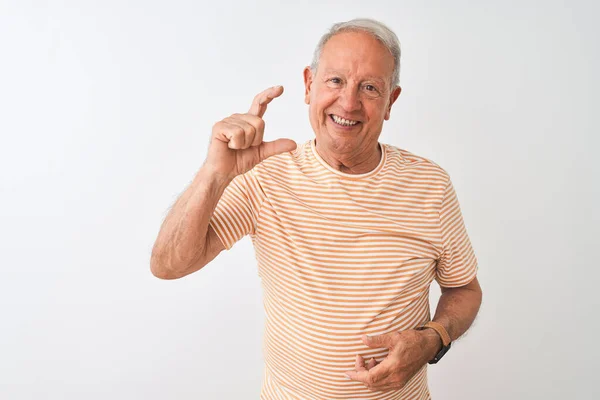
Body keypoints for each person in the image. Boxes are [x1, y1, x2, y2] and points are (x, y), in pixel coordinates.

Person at [150, 18, 483, 400]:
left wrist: (433, 339)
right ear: (309, 85)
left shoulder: (430, 186)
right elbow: (168, 265)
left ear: (391, 102)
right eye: (336, 81)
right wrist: (214, 173)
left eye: (370, 88)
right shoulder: (264, 176)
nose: (349, 102)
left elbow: (465, 290)